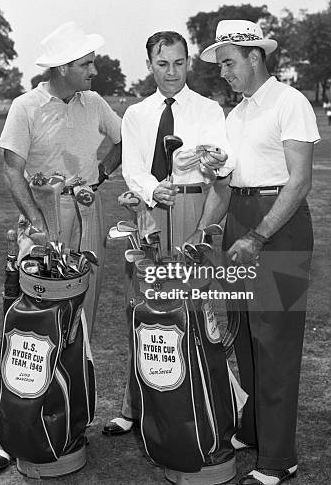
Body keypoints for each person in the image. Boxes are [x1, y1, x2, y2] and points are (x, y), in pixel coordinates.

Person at [187, 20, 320, 485]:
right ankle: (255, 428)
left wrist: (258, 236)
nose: (223, 72)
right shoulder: (235, 114)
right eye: (221, 64)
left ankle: (279, 459)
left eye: (228, 62)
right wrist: (203, 233)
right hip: (239, 223)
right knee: (242, 337)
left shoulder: (291, 103)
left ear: (255, 56)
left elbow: (299, 181)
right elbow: (223, 186)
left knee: (276, 344)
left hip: (277, 228)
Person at [0, 21, 122, 470]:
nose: (94, 70)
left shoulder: (94, 103)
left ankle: (67, 421)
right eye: (86, 63)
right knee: (27, 327)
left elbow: (124, 142)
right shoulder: (26, 106)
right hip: (40, 222)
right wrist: (36, 222)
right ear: (63, 68)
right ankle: (5, 435)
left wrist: (99, 176)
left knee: (80, 324)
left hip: (86, 216)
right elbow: (11, 168)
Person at [102, 30, 231, 436]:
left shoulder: (209, 109)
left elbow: (219, 162)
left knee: (196, 303)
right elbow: (132, 166)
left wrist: (208, 162)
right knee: (145, 305)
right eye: (163, 64)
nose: (171, 72)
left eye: (179, 63)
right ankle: (134, 406)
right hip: (151, 209)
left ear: (189, 62)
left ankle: (202, 398)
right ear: (150, 66)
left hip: (196, 205)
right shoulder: (138, 113)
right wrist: (150, 189)